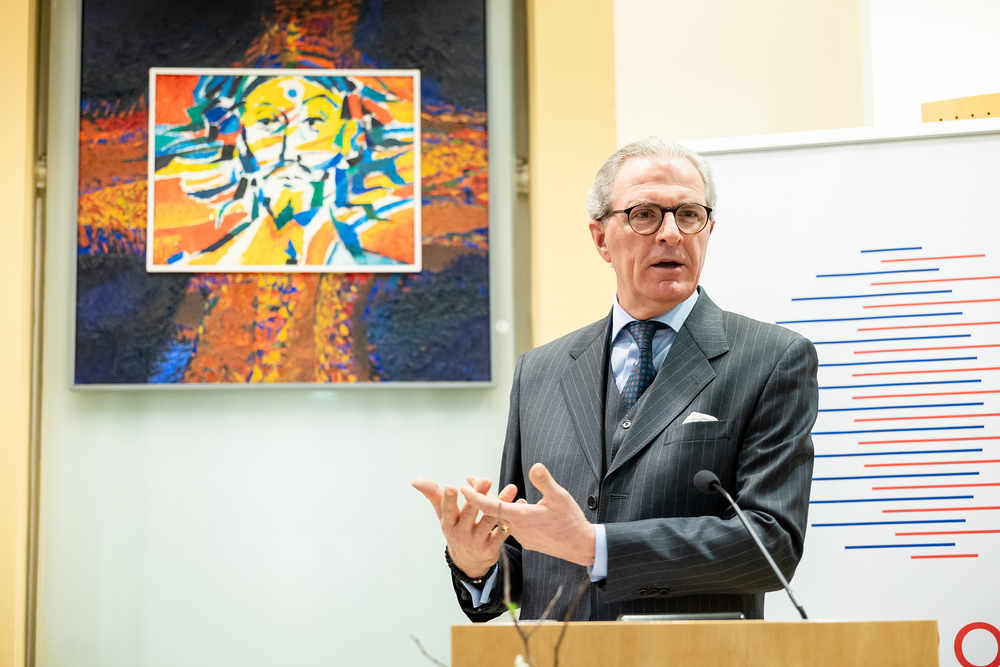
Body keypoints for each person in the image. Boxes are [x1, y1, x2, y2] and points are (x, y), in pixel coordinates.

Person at [413, 136, 818, 621]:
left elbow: (771, 544)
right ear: (601, 239)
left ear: (709, 229)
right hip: (557, 653)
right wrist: (478, 563)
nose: (671, 234)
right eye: (645, 215)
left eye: (689, 214)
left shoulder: (772, 359)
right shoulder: (539, 371)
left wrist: (597, 546)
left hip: (693, 652)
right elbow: (527, 560)